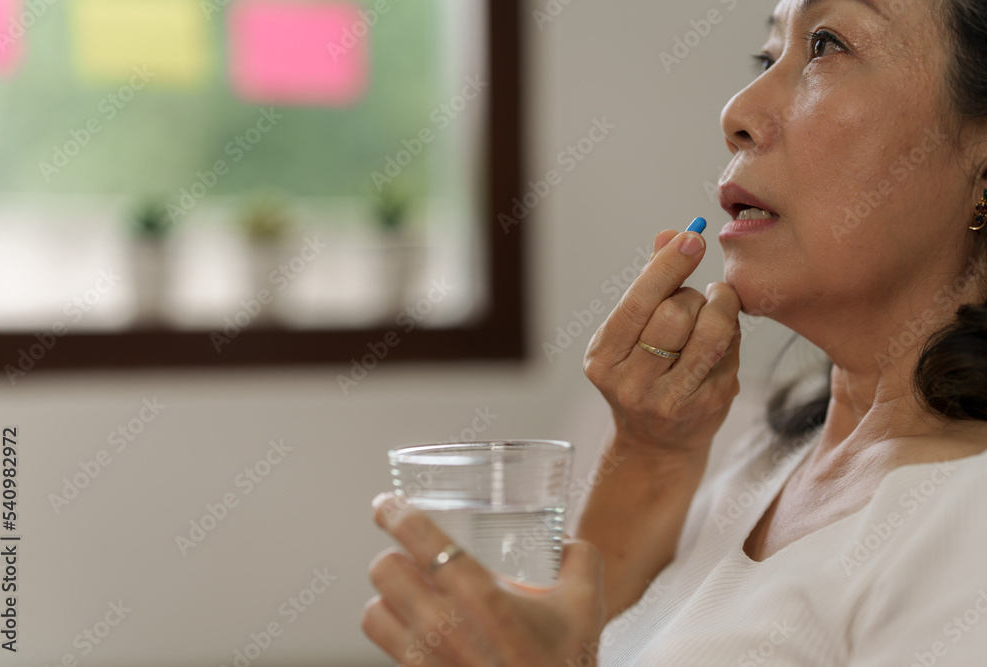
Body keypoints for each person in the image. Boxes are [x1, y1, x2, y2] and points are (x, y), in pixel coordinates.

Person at [361, 0, 987, 663]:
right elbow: (580, 641)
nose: (736, 113)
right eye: (768, 56)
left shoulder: (967, 521)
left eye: (827, 45)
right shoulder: (772, 460)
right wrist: (650, 450)